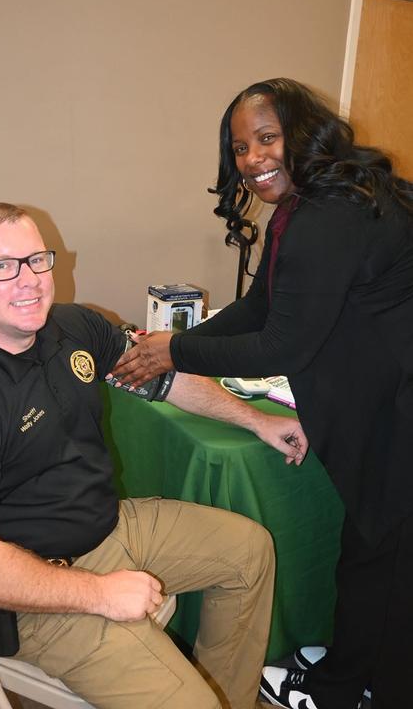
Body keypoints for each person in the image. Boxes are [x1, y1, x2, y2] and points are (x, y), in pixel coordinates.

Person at [0, 202, 309, 709]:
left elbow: (162, 378)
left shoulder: (72, 326)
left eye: (36, 260)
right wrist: (100, 594)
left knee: (250, 551)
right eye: (0, 267)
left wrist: (258, 420)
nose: (27, 280)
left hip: (110, 526)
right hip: (35, 589)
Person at [111, 78, 413, 709]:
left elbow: (281, 345)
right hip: (379, 398)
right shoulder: (312, 204)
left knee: (382, 555)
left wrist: (174, 350)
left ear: (303, 135)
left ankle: (357, 689)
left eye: (267, 139)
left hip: (395, 410)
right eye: (240, 148)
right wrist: (175, 339)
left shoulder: (329, 216)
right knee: (373, 549)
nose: (252, 160)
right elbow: (260, 306)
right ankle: (351, 674)